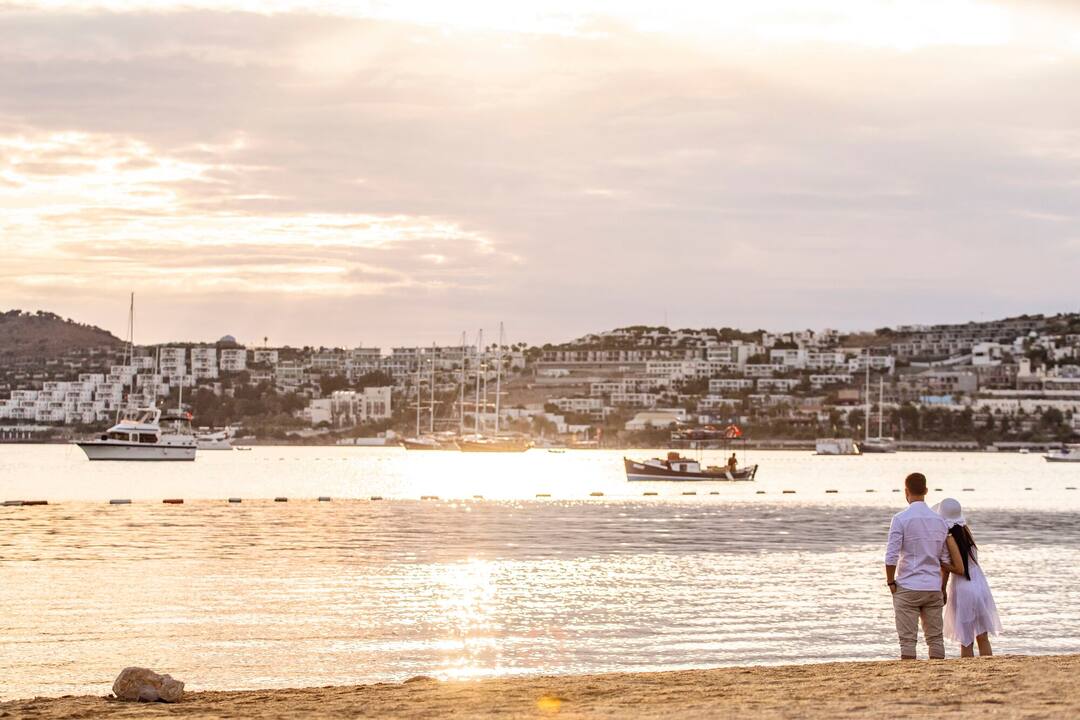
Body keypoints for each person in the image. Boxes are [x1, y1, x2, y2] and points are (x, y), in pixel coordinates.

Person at [884, 472, 952, 659]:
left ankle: (909, 678)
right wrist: (942, 587)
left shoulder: (900, 519)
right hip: (933, 587)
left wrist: (891, 582)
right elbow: (945, 561)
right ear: (926, 490)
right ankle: (938, 676)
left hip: (908, 586)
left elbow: (891, 556)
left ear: (906, 491)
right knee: (936, 639)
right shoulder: (940, 521)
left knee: (907, 641)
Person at [934, 498, 1002, 657]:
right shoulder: (966, 531)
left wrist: (942, 566)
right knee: (982, 636)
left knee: (966, 639)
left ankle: (968, 670)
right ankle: (988, 670)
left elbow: (959, 569)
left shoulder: (949, 537)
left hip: (964, 587)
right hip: (980, 584)